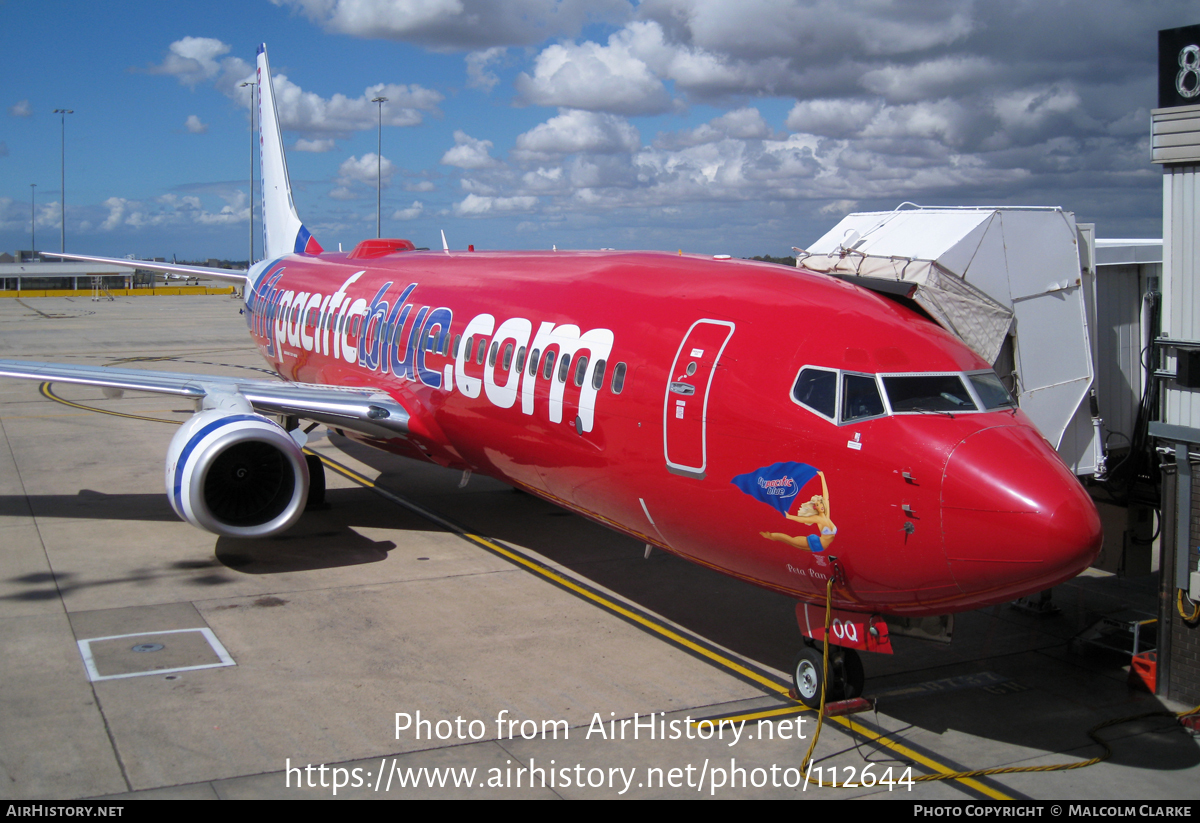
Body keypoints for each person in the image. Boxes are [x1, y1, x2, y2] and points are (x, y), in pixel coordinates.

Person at [760, 470, 836, 552]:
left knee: (792, 544)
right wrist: (789, 516)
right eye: (817, 505)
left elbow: (826, 497)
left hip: (821, 547)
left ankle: (772, 537)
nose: (821, 505)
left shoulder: (826, 515)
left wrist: (822, 477)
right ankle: (770, 536)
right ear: (815, 508)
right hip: (816, 543)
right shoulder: (817, 518)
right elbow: (803, 519)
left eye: (821, 503)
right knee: (791, 540)